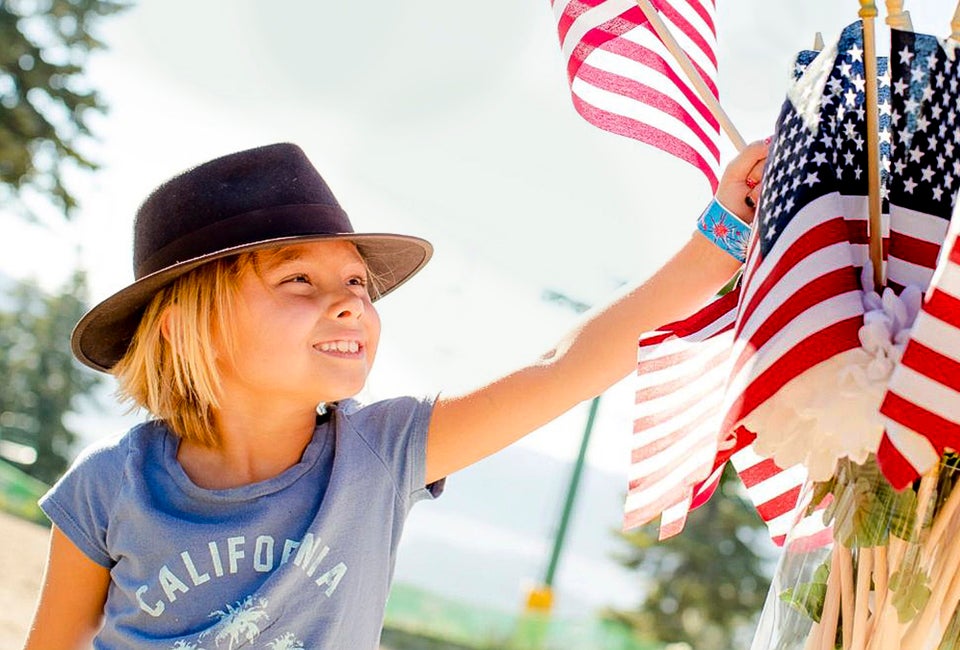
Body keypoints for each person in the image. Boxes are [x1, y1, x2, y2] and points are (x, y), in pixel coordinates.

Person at [22, 140, 767, 649]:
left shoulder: (381, 454)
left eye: (356, 283)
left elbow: (561, 366)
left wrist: (722, 236)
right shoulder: (105, 489)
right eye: (298, 281)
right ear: (191, 324)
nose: (350, 304)